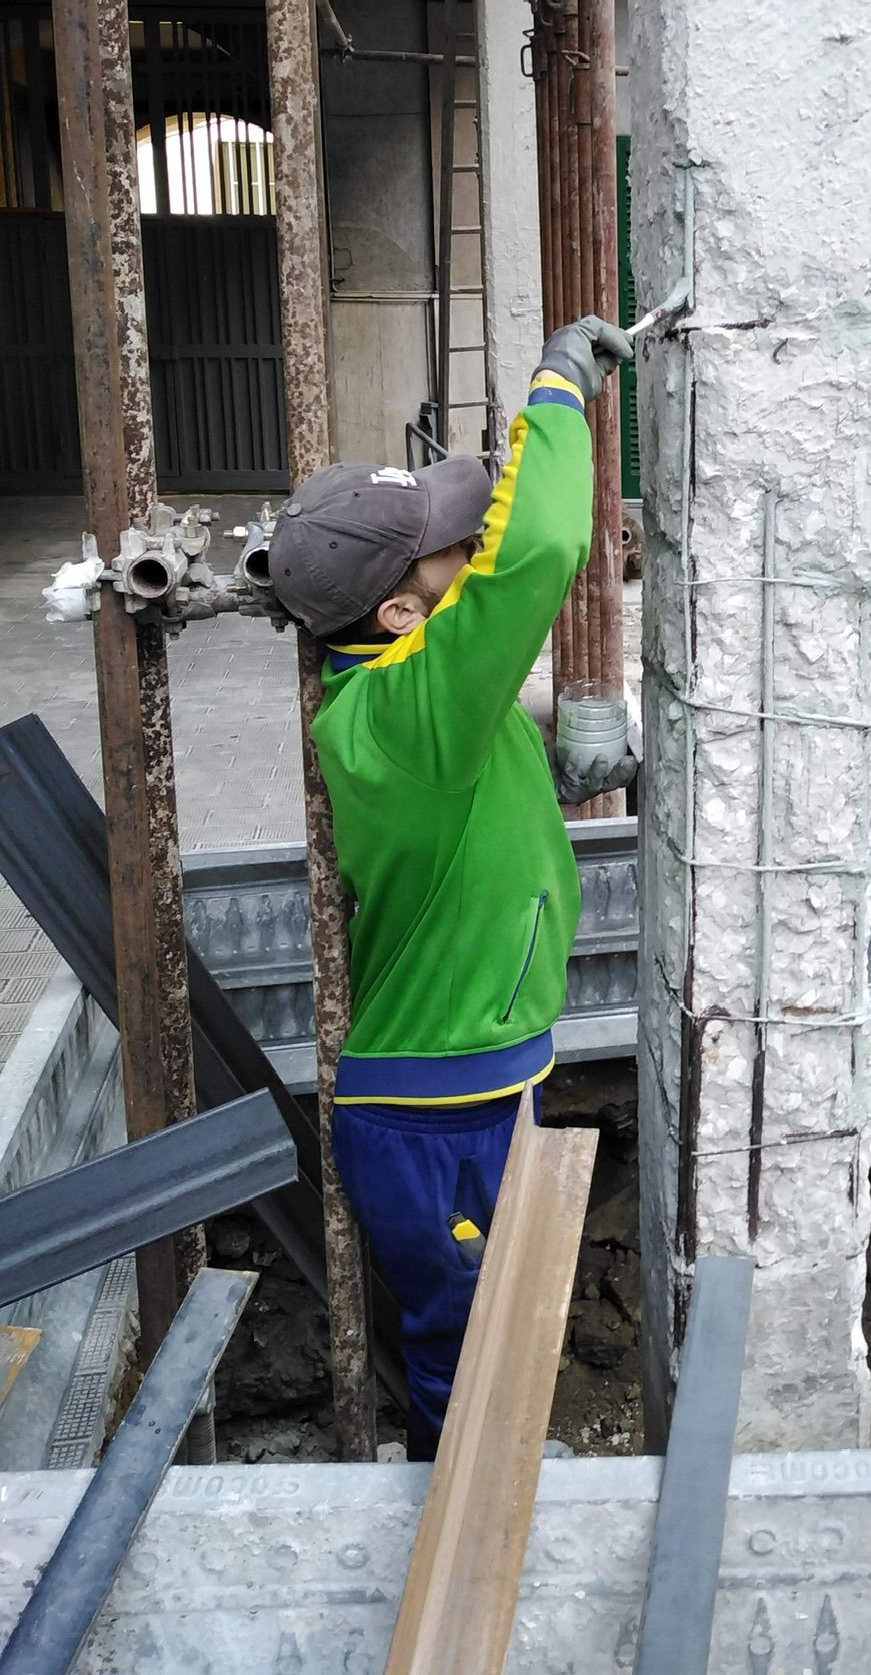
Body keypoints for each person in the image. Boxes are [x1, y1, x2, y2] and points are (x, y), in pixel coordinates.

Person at [268, 315, 633, 1458]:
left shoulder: (403, 698)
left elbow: (465, 803)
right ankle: (462, 1505)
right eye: (443, 551)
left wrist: (559, 772)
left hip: (468, 1075)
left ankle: (491, 1458)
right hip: (433, 1106)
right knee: (461, 1329)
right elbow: (538, 549)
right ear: (399, 613)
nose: (468, 546)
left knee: (489, 1308)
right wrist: (559, 395)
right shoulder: (404, 709)